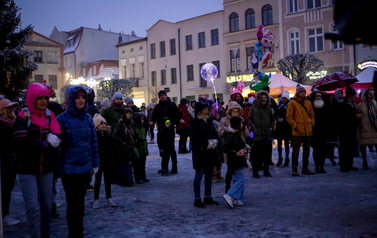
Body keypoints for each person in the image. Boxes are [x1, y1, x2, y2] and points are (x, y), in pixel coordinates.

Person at [13, 83, 62, 238]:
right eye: (39, 98)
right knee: (33, 208)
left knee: (47, 206)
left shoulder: (49, 115)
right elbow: (21, 141)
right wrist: (45, 141)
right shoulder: (23, 115)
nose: (42, 101)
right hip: (27, 168)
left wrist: (43, 141)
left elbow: (58, 138)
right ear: (32, 98)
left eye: (45, 98)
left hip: (46, 168)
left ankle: (45, 235)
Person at [56, 86, 100, 237]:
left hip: (85, 167)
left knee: (80, 202)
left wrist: (95, 163)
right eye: (77, 97)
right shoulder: (61, 119)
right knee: (72, 202)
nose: (80, 100)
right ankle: (72, 232)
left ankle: (78, 231)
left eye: (83, 97)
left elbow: (93, 142)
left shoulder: (88, 118)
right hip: (68, 168)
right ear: (70, 100)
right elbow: (56, 142)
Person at [189, 101, 220, 208]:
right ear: (200, 110)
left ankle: (208, 196)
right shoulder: (195, 122)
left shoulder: (209, 121)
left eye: (208, 109)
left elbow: (215, 134)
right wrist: (206, 143)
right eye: (205, 109)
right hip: (200, 153)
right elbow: (194, 137)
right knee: (199, 175)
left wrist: (215, 141)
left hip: (210, 153)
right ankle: (197, 198)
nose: (207, 111)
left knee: (209, 175)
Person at [218, 101, 249, 190]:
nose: (235, 113)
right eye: (234, 111)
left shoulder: (241, 120)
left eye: (237, 111)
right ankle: (228, 188)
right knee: (230, 170)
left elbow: (246, 135)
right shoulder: (224, 120)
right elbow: (220, 132)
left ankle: (236, 191)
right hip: (230, 148)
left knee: (239, 171)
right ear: (230, 111)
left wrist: (243, 128)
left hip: (240, 147)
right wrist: (228, 131)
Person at [150, 90, 183, 173]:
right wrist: (152, 122)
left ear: (166, 96)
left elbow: (178, 114)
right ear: (159, 97)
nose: (162, 97)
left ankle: (174, 167)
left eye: (164, 95)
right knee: (163, 149)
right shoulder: (157, 107)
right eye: (161, 96)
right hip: (161, 130)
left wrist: (178, 120)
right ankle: (164, 167)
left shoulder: (171, 105)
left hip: (170, 130)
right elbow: (154, 116)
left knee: (171, 149)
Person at [286, 84, 315, 176]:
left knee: (307, 151)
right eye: (301, 92)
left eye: (304, 92)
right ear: (297, 93)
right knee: (296, 151)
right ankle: (294, 168)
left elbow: (312, 115)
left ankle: (305, 167)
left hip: (307, 130)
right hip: (297, 131)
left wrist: (311, 124)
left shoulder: (308, 103)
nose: (303, 93)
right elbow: (289, 117)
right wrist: (295, 126)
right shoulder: (292, 103)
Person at [0, 96, 20, 226]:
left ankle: (5, 214)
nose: (11, 110)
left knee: (8, 188)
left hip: (11, 159)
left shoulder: (12, 122)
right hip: (4, 160)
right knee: (4, 189)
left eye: (12, 107)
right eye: (8, 108)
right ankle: (3, 215)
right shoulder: (2, 123)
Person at [222, 116, 249, 208]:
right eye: (241, 123)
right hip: (234, 159)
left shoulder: (238, 133)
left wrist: (245, 150)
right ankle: (231, 194)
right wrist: (236, 153)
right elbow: (225, 148)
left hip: (238, 159)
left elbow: (243, 144)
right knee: (240, 179)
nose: (242, 125)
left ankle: (238, 198)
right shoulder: (231, 135)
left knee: (238, 178)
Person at [248, 90, 275, 178]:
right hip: (257, 134)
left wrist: (271, 127)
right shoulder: (254, 107)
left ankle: (266, 171)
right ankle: (255, 171)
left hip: (266, 134)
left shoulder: (268, 108)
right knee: (256, 154)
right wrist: (253, 127)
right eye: (262, 97)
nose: (264, 99)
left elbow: (272, 119)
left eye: (265, 97)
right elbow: (249, 118)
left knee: (267, 154)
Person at [92, 114, 116, 209]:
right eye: (101, 123)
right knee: (97, 181)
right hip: (98, 161)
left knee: (107, 180)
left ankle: (109, 198)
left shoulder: (108, 136)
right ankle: (96, 199)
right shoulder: (94, 137)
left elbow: (112, 148)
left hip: (107, 161)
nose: (103, 125)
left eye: (104, 123)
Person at [337, 86, 361, 172]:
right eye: (354, 95)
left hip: (351, 129)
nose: (355, 97)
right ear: (350, 96)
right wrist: (355, 116)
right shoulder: (342, 103)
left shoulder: (352, 103)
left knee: (351, 147)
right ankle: (343, 165)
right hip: (344, 130)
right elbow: (342, 117)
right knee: (344, 148)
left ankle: (349, 163)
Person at [113, 108, 138, 186]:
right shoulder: (120, 124)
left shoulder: (131, 124)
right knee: (125, 164)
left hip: (130, 147)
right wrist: (122, 142)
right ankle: (128, 181)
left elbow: (135, 134)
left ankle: (122, 181)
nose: (129, 115)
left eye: (130, 114)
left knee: (126, 165)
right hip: (123, 148)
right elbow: (115, 136)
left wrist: (136, 140)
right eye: (127, 113)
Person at [356, 89, 377, 170]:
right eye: (366, 95)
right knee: (363, 147)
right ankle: (364, 161)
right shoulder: (360, 106)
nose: (368, 96)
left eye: (369, 95)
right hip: (364, 128)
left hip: (374, 128)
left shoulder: (375, 104)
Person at [311, 91, 330, 173]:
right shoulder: (312, 106)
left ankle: (322, 166)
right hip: (314, 131)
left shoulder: (325, 106)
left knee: (323, 150)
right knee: (316, 150)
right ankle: (316, 167)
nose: (318, 97)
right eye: (317, 96)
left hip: (323, 131)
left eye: (319, 96)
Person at [273, 90, 292, 167]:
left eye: (285, 98)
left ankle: (287, 158)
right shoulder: (278, 105)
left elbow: (291, 116)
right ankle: (280, 158)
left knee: (287, 143)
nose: (283, 99)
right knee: (279, 143)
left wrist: (284, 119)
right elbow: (275, 114)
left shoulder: (289, 106)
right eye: (283, 98)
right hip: (279, 126)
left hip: (287, 126)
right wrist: (277, 118)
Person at [133, 112, 150, 183]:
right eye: (141, 119)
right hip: (138, 148)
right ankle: (138, 178)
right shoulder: (134, 128)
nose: (142, 121)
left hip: (143, 148)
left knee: (143, 164)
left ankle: (143, 176)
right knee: (137, 165)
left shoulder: (142, 128)